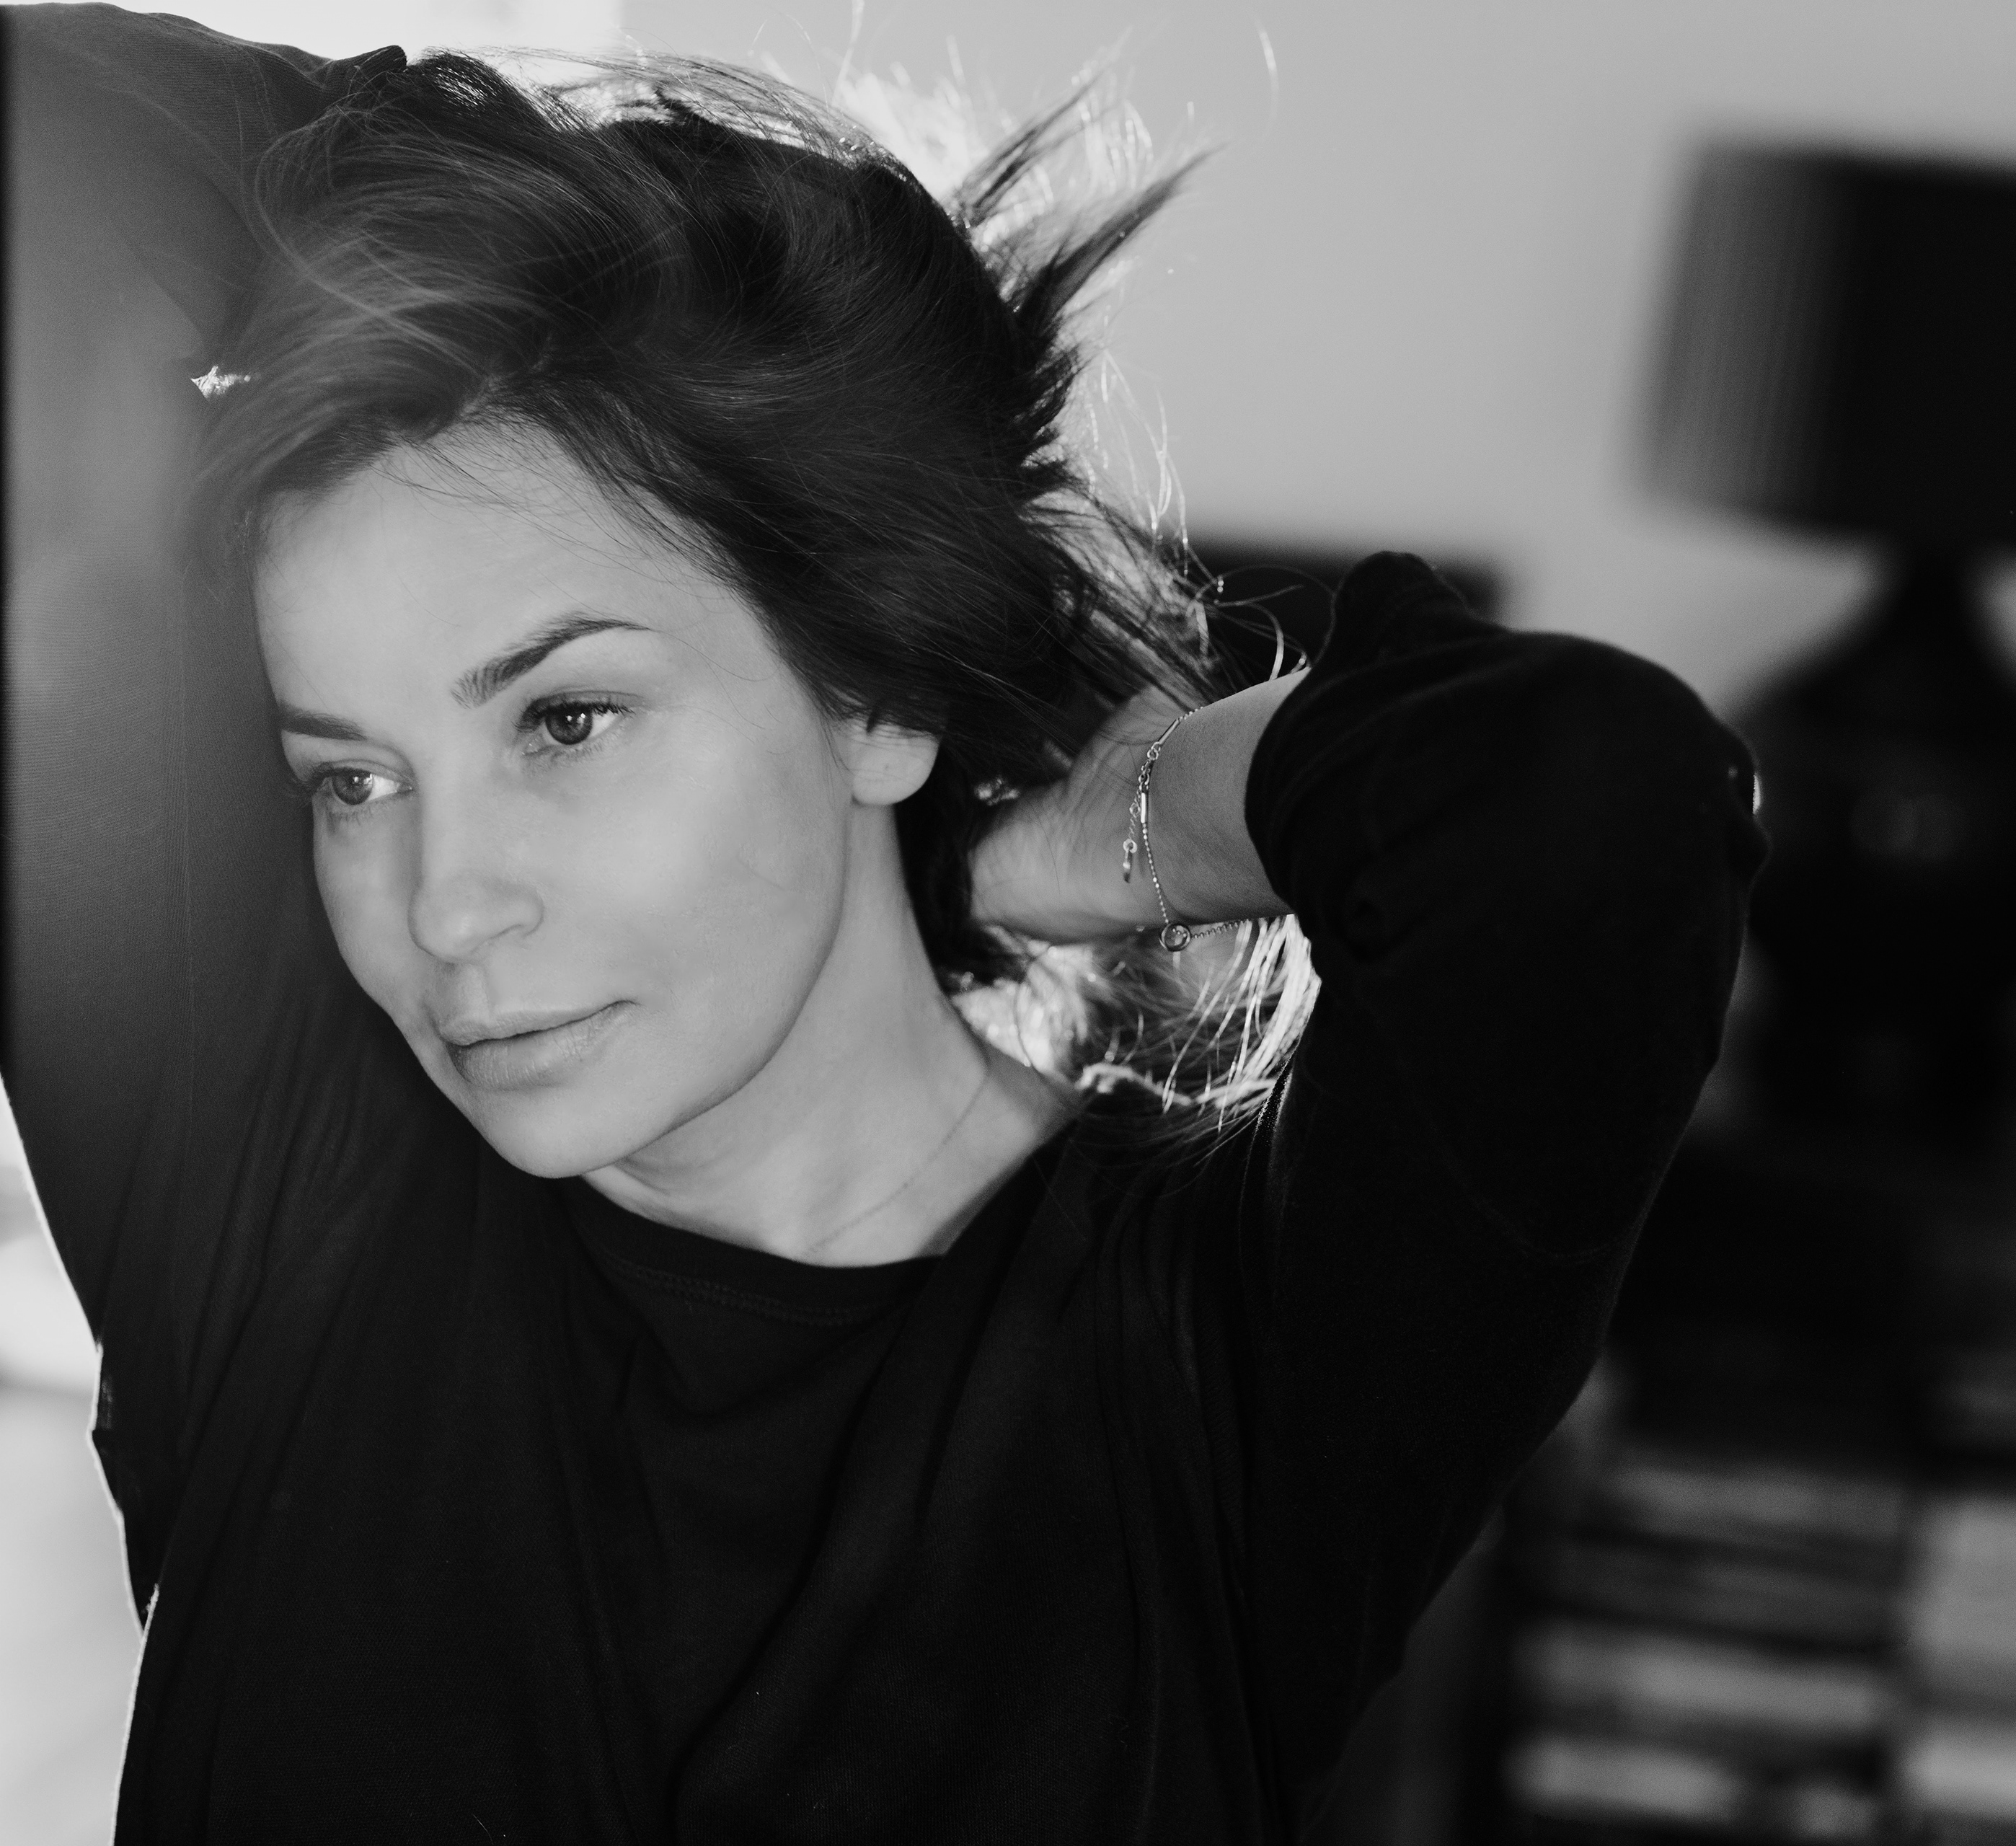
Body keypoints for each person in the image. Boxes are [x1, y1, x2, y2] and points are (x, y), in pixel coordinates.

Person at [4, 4, 1761, 1840]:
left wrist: (1106, 835)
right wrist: (482, 195)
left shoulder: (1227, 1365)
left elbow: (1590, 802)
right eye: (351, 779)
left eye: (567, 720)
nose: (444, 905)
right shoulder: (268, 1184)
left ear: (876, 692)